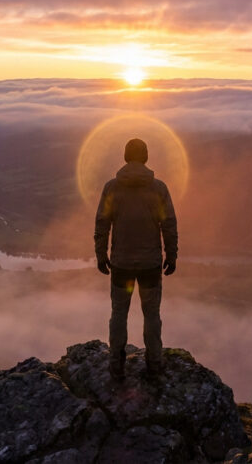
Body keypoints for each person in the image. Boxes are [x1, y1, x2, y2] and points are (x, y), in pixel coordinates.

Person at [94, 138, 178, 382]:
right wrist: (171, 255)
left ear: (125, 157)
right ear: (146, 157)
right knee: (152, 314)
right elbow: (169, 224)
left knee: (118, 313)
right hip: (150, 264)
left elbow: (102, 223)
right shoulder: (159, 188)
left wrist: (101, 255)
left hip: (121, 264)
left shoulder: (112, 188)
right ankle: (154, 365)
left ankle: (116, 367)